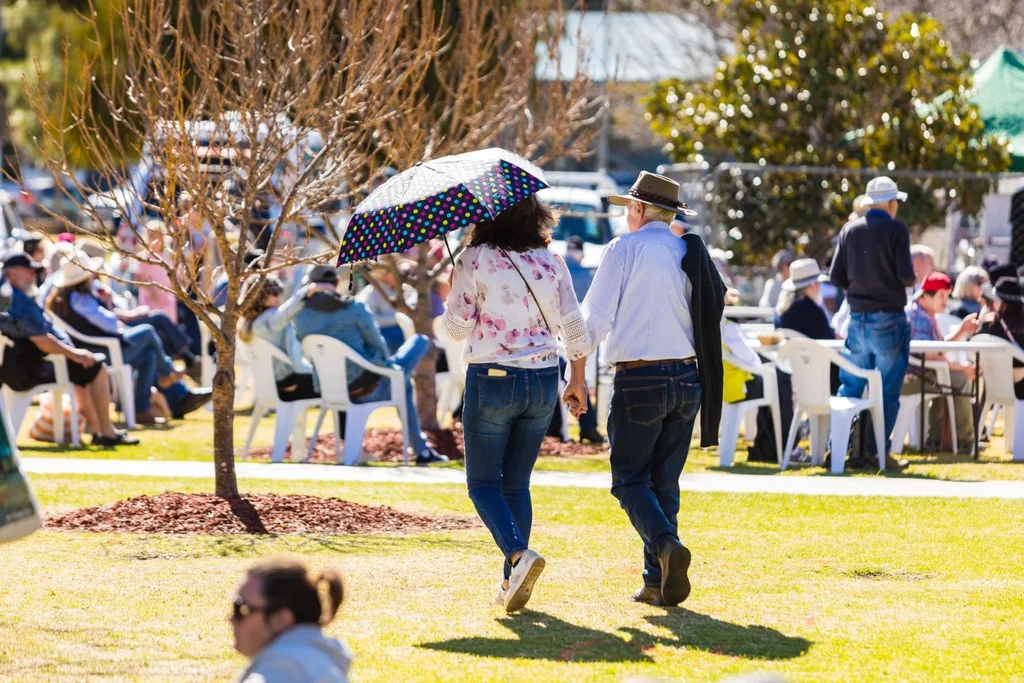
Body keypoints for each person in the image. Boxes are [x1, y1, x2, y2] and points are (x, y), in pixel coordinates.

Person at [444, 193, 592, 613]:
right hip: (544, 378)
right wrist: (577, 381)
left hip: (493, 376)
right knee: (516, 484)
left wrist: (451, 295)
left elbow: (456, 330)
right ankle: (511, 582)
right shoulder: (552, 261)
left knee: (483, 484)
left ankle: (516, 556)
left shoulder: (474, 258)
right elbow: (575, 330)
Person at [583, 171, 724, 607]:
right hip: (687, 377)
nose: (627, 214)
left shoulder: (623, 248)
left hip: (639, 377)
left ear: (640, 210)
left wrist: (567, 359)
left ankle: (665, 546)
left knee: (628, 481)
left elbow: (594, 323)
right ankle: (656, 581)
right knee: (664, 483)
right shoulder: (687, 251)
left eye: (629, 207)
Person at [293, 265, 447, 465]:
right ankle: (421, 450)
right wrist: (378, 361)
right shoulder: (354, 308)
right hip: (368, 387)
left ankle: (422, 449)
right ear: (337, 283)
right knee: (419, 343)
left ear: (309, 286)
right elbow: (380, 349)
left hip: (329, 388)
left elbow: (284, 315)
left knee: (402, 380)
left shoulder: (301, 316)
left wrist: (302, 295)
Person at [47, 257, 211, 425]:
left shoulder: (69, 299)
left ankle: (142, 408)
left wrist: (110, 307)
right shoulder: (81, 300)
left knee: (148, 354)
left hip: (101, 347)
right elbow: (108, 324)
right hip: (103, 350)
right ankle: (168, 372)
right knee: (148, 331)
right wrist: (112, 312)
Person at [0, 253, 139, 446]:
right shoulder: (18, 301)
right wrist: (74, 354)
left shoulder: (11, 296)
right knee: (96, 366)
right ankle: (106, 432)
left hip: (21, 365)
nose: (34, 275)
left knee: (83, 370)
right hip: (30, 369)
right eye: (29, 270)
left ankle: (99, 430)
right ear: (13, 274)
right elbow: (41, 340)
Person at [829, 176, 915, 462]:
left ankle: (839, 448)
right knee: (888, 391)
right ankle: (876, 451)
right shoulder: (897, 230)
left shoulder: (849, 230)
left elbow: (836, 276)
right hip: (889, 318)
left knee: (850, 387)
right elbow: (905, 276)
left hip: (857, 319)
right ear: (891, 203)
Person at [232, 557, 352, 683]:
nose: (231, 619)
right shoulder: (316, 661)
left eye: (241, 609)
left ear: (281, 619)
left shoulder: (281, 671)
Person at [903, 272, 979, 454]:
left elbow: (937, 349)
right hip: (911, 378)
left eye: (947, 295)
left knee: (949, 378)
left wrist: (961, 331)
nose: (946, 301)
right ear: (925, 296)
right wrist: (961, 367)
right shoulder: (919, 317)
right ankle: (963, 441)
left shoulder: (925, 312)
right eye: (941, 296)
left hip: (918, 373)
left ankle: (936, 438)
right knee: (958, 379)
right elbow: (927, 354)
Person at [238, 275, 320, 402]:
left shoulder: (247, 323)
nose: (279, 296)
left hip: (272, 384)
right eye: (274, 293)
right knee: (343, 385)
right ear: (258, 296)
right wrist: (307, 291)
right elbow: (285, 312)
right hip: (290, 383)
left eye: (280, 291)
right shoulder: (268, 319)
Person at [356, 266, 415, 354]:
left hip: (409, 330)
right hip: (385, 333)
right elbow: (368, 318)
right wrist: (395, 319)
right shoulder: (371, 292)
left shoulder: (407, 289)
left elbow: (414, 308)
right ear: (382, 274)